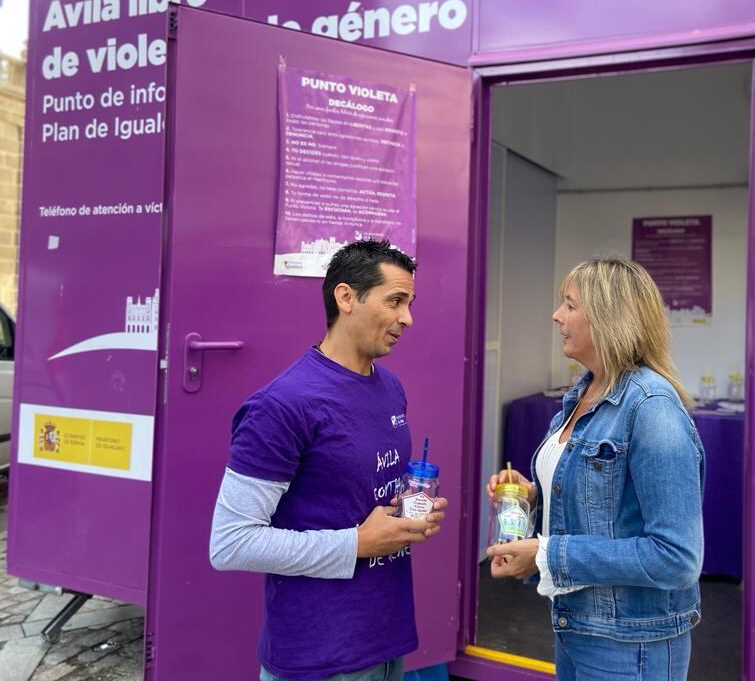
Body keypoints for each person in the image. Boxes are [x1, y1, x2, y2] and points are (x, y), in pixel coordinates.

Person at [209, 239, 447, 681]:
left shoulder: (390, 386)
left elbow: (357, 497)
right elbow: (230, 543)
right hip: (318, 655)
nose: (407, 318)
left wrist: (409, 512)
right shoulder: (282, 405)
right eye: (395, 301)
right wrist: (357, 543)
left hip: (385, 636)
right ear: (346, 297)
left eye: (410, 303)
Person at [486, 257, 705, 680]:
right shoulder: (582, 395)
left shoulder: (651, 408)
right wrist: (532, 494)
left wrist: (546, 554)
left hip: (631, 643)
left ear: (608, 318)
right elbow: (601, 500)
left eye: (569, 304)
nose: (557, 316)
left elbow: (676, 557)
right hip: (578, 626)